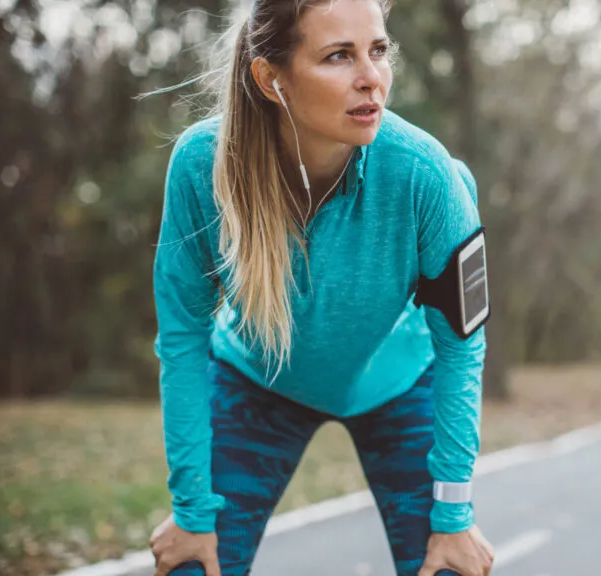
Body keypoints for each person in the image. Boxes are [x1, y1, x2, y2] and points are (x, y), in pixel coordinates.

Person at [146, 0, 494, 575]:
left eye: (378, 51)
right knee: (191, 564)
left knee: (453, 566)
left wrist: (455, 515)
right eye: (338, 56)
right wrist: (190, 510)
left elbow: (462, 344)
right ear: (270, 78)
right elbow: (182, 338)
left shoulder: (428, 174)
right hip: (257, 380)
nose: (371, 79)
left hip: (399, 383)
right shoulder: (200, 167)